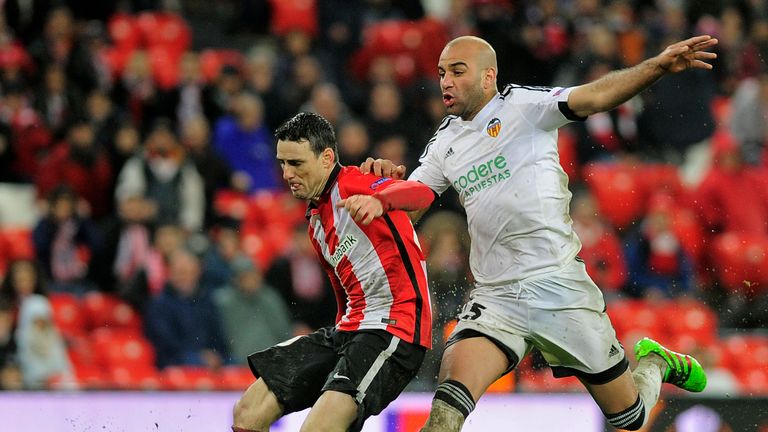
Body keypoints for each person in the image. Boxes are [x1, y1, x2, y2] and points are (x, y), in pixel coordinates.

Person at [341, 35, 718, 432]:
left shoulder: (525, 107)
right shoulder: (445, 142)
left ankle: (655, 363)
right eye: (441, 73)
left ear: (488, 77)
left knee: (630, 417)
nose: (445, 82)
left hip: (560, 288)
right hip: (496, 298)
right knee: (444, 414)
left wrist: (656, 66)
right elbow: (414, 203)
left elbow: (595, 96)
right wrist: (383, 191)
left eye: (457, 71)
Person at [231, 112, 433, 432]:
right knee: (248, 410)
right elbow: (344, 294)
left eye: (296, 163)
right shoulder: (315, 221)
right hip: (348, 331)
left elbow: (423, 193)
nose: (286, 174)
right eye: (282, 163)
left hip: (394, 327)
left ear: (326, 158)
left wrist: (381, 201)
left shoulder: (355, 182)